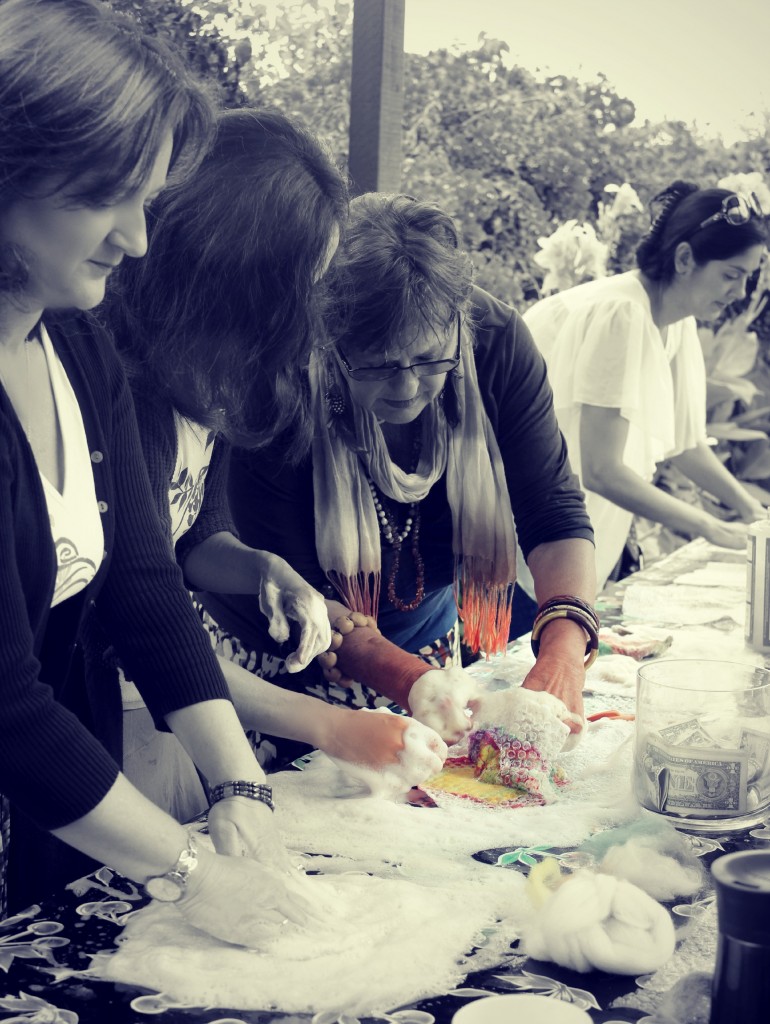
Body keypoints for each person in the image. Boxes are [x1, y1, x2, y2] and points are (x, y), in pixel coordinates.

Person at [0, 0, 306, 937]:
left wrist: (238, 785)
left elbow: (143, 583)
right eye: (106, 197)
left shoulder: (80, 349)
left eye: (149, 200)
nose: (136, 237)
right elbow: (7, 705)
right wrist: (189, 872)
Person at [97, 107, 445, 818]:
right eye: (307, 281)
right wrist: (334, 728)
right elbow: (139, 616)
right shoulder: (127, 391)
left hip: (156, 705)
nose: (317, 306)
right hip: (105, 715)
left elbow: (195, 535)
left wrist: (259, 568)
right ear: (243, 281)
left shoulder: (211, 379)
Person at [197, 192, 598, 758]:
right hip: (284, 650)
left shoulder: (495, 342)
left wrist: (562, 655)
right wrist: (419, 685)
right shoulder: (280, 373)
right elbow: (304, 593)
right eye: (379, 365)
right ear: (329, 342)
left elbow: (553, 510)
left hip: (426, 646)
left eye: (431, 359)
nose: (408, 388)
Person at [516, 180, 767, 605]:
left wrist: (754, 514)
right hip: (530, 539)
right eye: (731, 275)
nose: (740, 294)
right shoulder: (621, 312)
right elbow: (601, 468)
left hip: (584, 537)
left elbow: (685, 445)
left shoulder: (676, 318)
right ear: (685, 258)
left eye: (747, 279)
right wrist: (708, 525)